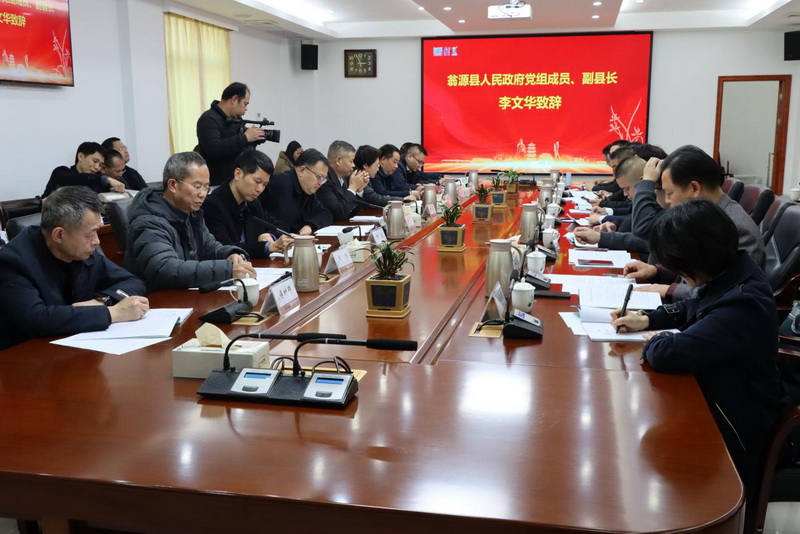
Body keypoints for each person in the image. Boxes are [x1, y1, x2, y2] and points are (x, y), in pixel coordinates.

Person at [611, 198, 787, 528]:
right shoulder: (730, 273)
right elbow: (692, 308)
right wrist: (647, 319)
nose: (678, 275)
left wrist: (658, 339)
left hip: (737, 417)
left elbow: (669, 354)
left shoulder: (742, 304)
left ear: (697, 259)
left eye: (680, 268)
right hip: (716, 388)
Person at [0, 186, 148, 349]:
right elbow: (36, 319)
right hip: (28, 354)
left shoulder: (82, 252)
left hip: (77, 345)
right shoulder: (13, 262)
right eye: (90, 233)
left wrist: (102, 301)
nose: (97, 241)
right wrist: (113, 313)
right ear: (59, 235)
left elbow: (132, 282)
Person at [624, 145, 765, 301]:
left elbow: (730, 291)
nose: (667, 201)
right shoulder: (702, 218)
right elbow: (701, 270)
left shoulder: (736, 228)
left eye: (670, 193)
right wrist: (657, 271)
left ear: (694, 188)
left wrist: (669, 289)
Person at [126, 152, 256, 291]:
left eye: (206, 187)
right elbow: (164, 268)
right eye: (197, 186)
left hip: (185, 293)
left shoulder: (191, 213)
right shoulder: (149, 221)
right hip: (157, 298)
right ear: (173, 185)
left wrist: (231, 254)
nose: (203, 194)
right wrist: (227, 270)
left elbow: (210, 247)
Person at [204, 148, 292, 259]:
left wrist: (269, 235)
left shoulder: (252, 204)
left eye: (264, 185)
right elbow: (224, 248)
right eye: (257, 181)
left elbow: (279, 227)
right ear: (238, 174)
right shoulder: (213, 205)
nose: (260, 189)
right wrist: (267, 247)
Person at [196, 82, 267, 186]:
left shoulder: (235, 120)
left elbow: (239, 150)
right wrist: (245, 138)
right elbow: (214, 149)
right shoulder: (208, 119)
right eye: (245, 104)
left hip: (236, 181)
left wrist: (253, 141)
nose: (246, 109)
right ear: (234, 99)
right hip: (217, 184)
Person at [258, 148, 333, 235]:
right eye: (319, 177)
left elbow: (326, 214)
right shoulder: (278, 184)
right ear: (302, 170)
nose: (320, 183)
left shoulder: (307, 191)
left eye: (323, 179)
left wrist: (309, 226)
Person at [43, 142, 126, 198]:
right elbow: (77, 178)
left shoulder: (97, 182)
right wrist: (106, 179)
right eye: (95, 161)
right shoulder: (61, 172)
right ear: (81, 156)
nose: (97, 167)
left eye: (100, 165)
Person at [316, 140, 371, 221]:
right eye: (351, 161)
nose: (353, 165)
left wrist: (359, 190)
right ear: (338, 160)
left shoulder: (343, 179)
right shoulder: (324, 181)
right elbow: (338, 213)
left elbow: (351, 212)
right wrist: (353, 188)